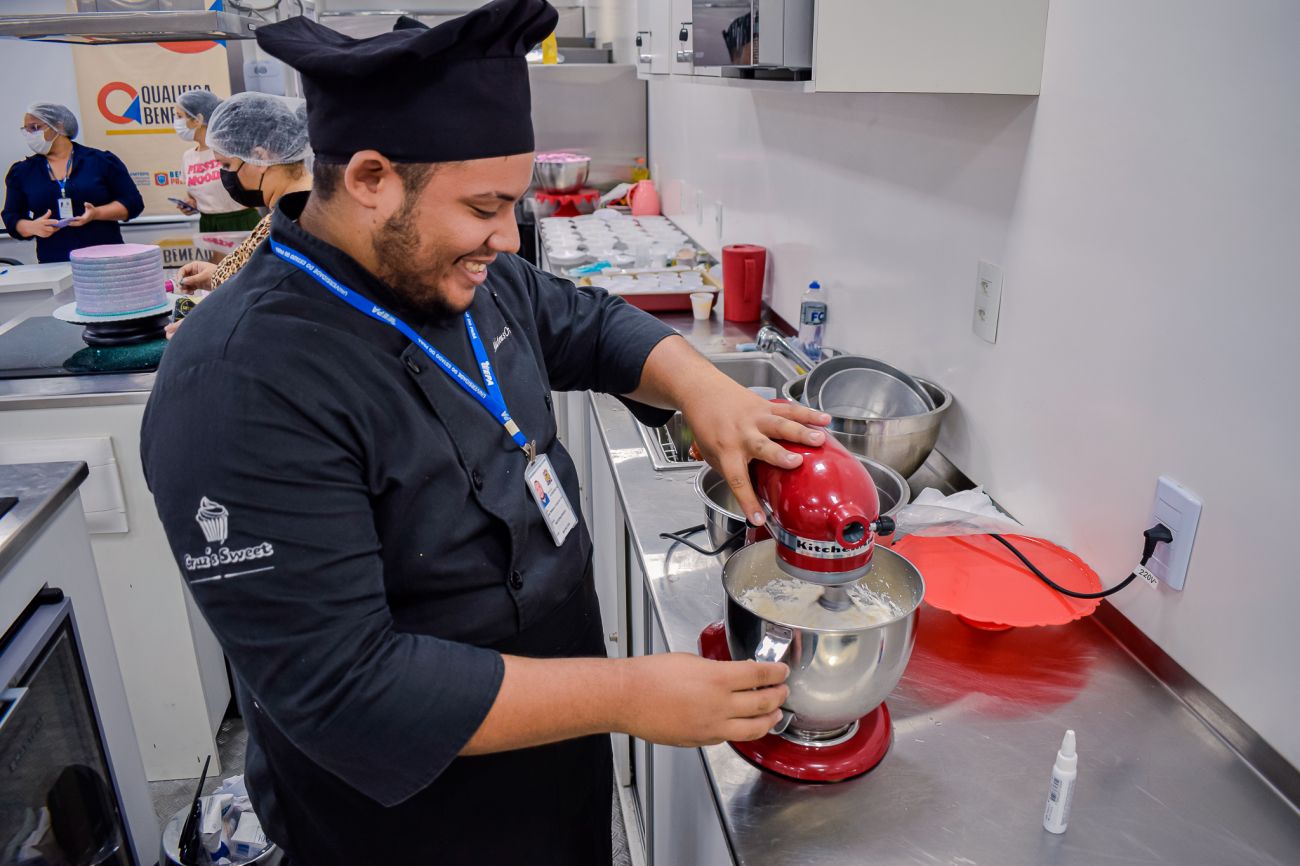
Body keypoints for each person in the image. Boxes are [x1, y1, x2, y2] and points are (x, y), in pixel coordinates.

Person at [140, 2, 829, 864]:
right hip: (405, 822)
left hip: (554, 759)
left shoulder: (457, 270)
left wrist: (705, 387)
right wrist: (627, 696)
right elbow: (345, 690)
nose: (505, 237)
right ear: (370, 179)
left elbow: (587, 323)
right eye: (483, 206)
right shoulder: (239, 384)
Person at [165, 93, 311, 339]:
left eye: (226, 165)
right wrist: (218, 275)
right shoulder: (285, 214)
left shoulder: (299, 222)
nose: (226, 177)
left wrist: (212, 320)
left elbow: (280, 305)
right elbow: (258, 281)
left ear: (261, 158)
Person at [3, 103, 144, 262]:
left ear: (59, 126)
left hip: (107, 260)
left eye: (35, 128)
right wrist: (31, 227)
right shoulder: (22, 172)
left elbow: (133, 203)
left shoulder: (101, 161)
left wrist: (96, 213)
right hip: (54, 262)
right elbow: (11, 216)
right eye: (26, 130)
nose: (30, 135)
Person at [172, 89, 261, 233]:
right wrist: (191, 204)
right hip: (208, 225)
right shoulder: (188, 156)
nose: (176, 122)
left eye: (179, 116)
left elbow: (254, 189)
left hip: (241, 222)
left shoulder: (231, 150)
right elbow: (195, 195)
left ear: (197, 119)